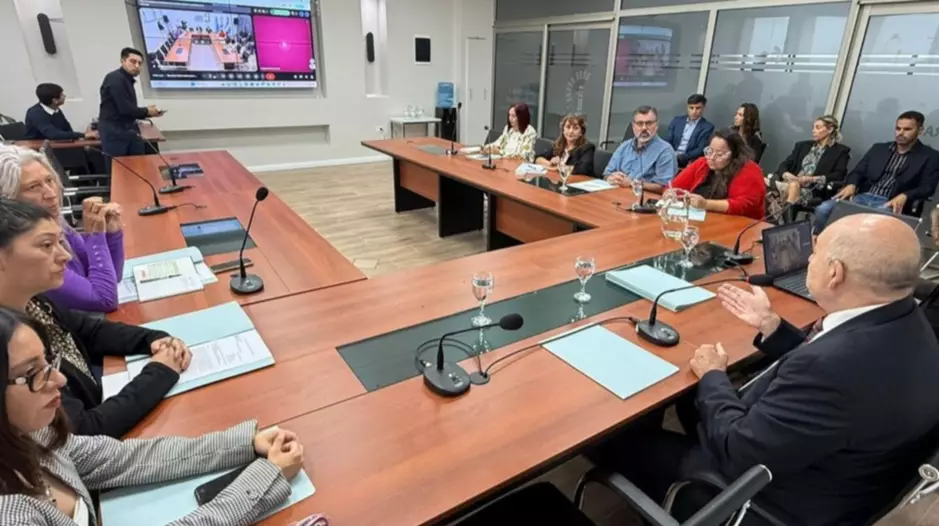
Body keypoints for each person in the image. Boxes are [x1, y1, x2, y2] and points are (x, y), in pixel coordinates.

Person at [588, 213, 939, 526]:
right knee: (691, 400)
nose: (808, 259)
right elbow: (832, 366)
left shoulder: (832, 369)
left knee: (618, 434)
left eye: (815, 252)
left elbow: (737, 451)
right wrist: (772, 327)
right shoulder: (911, 324)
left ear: (835, 273)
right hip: (830, 474)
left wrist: (713, 375)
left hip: (759, 499)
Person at [0, 308, 304, 524]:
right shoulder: (12, 515)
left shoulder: (31, 432)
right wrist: (264, 479)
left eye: (48, 362)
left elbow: (127, 458)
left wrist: (244, 443)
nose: (60, 380)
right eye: (33, 373)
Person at [0, 199, 187, 438]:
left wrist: (152, 339)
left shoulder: (34, 301)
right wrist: (160, 371)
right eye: (46, 245)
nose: (65, 256)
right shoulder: (10, 346)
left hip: (96, 393)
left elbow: (91, 331)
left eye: (60, 242)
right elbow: (85, 429)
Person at [0, 145, 124, 313]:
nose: (51, 194)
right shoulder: (25, 250)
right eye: (33, 187)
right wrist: (95, 235)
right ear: (8, 199)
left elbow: (112, 278)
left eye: (49, 180)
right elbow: (104, 299)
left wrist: (111, 233)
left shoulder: (55, 222)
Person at [813, 111, 939, 234]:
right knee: (823, 209)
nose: (900, 133)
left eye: (907, 129)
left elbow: (927, 188)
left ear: (920, 130)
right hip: (862, 197)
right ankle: (821, 242)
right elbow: (858, 172)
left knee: (868, 225)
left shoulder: (930, 156)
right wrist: (851, 184)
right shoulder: (879, 149)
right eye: (898, 128)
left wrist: (905, 195)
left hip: (890, 202)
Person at [669, 128, 766, 220]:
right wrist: (670, 194)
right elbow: (674, 187)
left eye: (719, 154)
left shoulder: (749, 169)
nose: (711, 158)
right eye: (710, 151)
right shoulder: (702, 163)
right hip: (701, 220)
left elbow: (743, 205)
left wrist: (706, 204)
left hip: (739, 223)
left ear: (735, 155)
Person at [98, 47, 165, 171]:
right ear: (122, 61)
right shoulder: (116, 79)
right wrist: (147, 111)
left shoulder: (126, 80)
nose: (137, 66)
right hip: (116, 133)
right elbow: (125, 109)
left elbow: (128, 108)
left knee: (138, 167)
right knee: (120, 171)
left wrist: (146, 111)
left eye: (140, 63)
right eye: (133, 62)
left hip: (127, 130)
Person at [773, 115, 851, 208]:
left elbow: (838, 175)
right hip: (790, 182)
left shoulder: (840, 152)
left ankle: (782, 207)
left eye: (818, 127)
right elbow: (785, 164)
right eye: (813, 127)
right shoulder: (802, 146)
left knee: (790, 187)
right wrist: (786, 174)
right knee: (769, 183)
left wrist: (811, 179)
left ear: (830, 129)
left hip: (811, 191)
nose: (813, 131)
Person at [603, 106, 677, 193]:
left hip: (643, 198)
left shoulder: (665, 151)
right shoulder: (624, 146)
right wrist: (611, 178)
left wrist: (632, 183)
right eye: (639, 123)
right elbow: (606, 174)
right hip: (617, 193)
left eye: (649, 123)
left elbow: (664, 187)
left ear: (656, 125)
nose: (644, 128)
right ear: (633, 126)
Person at [24, 83, 98, 142]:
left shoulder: (55, 109)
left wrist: (83, 136)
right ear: (55, 100)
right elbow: (53, 134)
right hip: (39, 148)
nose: (64, 96)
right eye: (62, 95)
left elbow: (67, 129)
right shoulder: (35, 114)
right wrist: (83, 135)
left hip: (59, 144)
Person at [665, 93, 715, 169]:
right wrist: (671, 153)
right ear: (687, 107)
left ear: (703, 108)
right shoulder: (677, 121)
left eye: (698, 108)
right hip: (670, 155)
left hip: (687, 160)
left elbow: (700, 149)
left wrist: (680, 157)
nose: (694, 111)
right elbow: (668, 139)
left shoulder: (707, 127)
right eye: (691, 108)